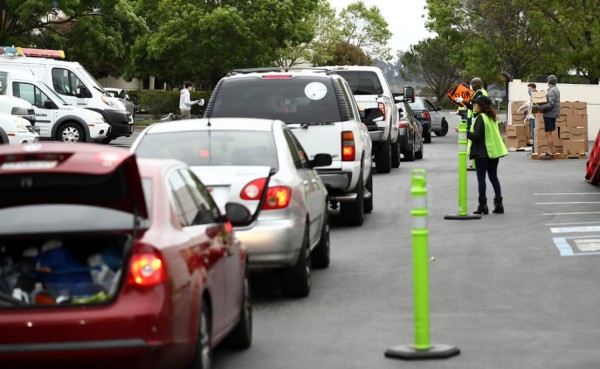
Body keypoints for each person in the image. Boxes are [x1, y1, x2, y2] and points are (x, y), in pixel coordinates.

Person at [465, 95, 508, 214]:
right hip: (493, 153)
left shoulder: (481, 118)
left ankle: (482, 206)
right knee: (493, 177)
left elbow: (477, 136)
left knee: (481, 179)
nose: (474, 105)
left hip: (482, 153)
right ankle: (499, 204)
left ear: (481, 105)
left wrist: (464, 132)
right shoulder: (492, 117)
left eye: (475, 104)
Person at [534, 75, 560, 160]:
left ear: (548, 82)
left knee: (548, 134)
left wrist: (540, 107)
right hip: (551, 114)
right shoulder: (555, 90)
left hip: (549, 114)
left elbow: (550, 104)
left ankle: (549, 153)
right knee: (549, 134)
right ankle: (549, 152)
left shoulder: (552, 91)